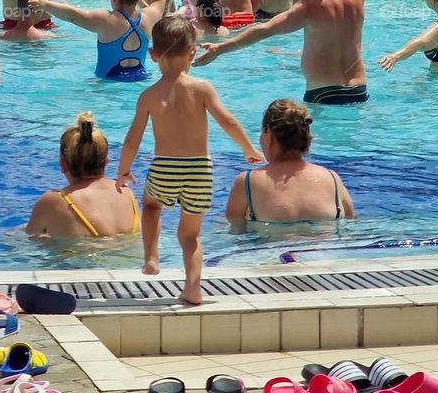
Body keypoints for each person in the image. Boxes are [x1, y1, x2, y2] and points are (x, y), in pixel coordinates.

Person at [116, 16, 261, 303]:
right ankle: (193, 288)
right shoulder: (202, 88)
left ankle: (151, 258)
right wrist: (248, 148)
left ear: (152, 55)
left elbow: (132, 139)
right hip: (200, 170)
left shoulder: (149, 96)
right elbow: (228, 121)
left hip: (165, 167)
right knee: (191, 236)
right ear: (192, 53)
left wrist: (123, 170)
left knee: (152, 206)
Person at [196, 0, 369, 106]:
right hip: (359, 90)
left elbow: (263, 31)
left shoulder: (308, 8)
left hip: (323, 93)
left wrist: (219, 49)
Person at [28, 0, 166, 79]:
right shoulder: (149, 18)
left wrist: (44, 4)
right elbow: (160, 1)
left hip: (107, 84)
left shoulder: (106, 19)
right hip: (140, 79)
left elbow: (72, 16)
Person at [225, 99, 354, 226]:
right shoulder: (332, 178)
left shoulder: (248, 181)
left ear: (267, 132)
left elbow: (235, 229)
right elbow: (350, 221)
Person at [26, 112, 141, 239]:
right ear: (106, 162)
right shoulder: (126, 193)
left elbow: (27, 239)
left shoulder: (53, 202)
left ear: (63, 164)